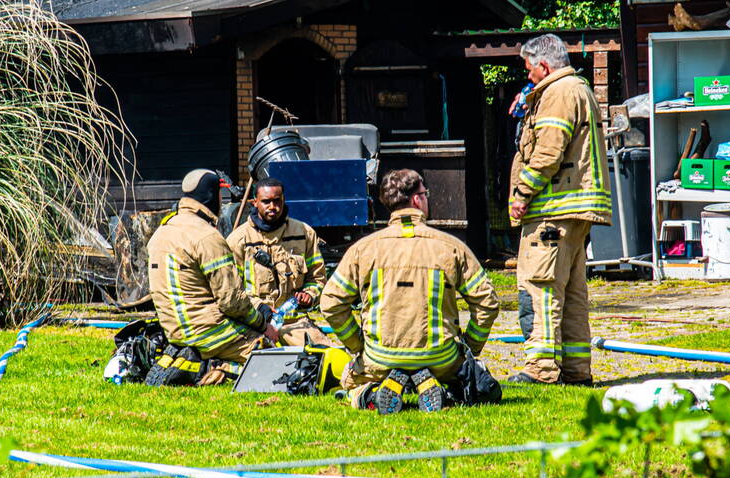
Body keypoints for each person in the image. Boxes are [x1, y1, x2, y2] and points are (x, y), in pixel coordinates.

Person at [320, 169, 501, 414]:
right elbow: (487, 302)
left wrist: (358, 345)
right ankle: (442, 389)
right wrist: (469, 348)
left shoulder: (362, 249)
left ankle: (370, 395)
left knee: (349, 381)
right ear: (417, 200)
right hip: (441, 357)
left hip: (380, 357)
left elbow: (330, 303)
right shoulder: (452, 247)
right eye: (425, 194)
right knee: (464, 380)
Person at [507, 34, 611, 386]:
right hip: (576, 211)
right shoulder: (577, 88)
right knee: (573, 292)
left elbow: (548, 152)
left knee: (542, 288)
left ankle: (542, 368)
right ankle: (576, 369)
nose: (528, 77)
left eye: (529, 70)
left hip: (553, 208)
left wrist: (522, 192)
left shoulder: (557, 93)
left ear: (544, 65)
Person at [146, 169, 278, 386]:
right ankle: (214, 368)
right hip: (209, 332)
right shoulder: (206, 236)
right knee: (269, 359)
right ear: (211, 196)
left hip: (174, 331)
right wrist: (263, 325)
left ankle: (188, 359)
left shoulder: (162, 231)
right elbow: (232, 302)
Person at [226, 177, 333, 346]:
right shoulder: (239, 240)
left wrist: (310, 295)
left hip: (296, 325)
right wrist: (259, 307)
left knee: (328, 359)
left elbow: (318, 278)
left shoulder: (304, 234)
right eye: (266, 202)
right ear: (255, 203)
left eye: (277, 201)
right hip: (255, 325)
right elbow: (231, 290)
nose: (273, 207)